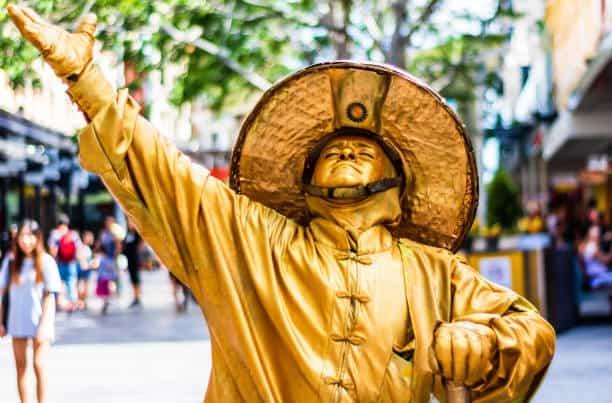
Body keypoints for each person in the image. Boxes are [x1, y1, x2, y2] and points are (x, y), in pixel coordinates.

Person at [8, 7, 556, 402]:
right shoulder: (250, 239)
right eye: (331, 149)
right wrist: (86, 79)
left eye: (365, 149)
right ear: (307, 178)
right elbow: (163, 170)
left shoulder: (434, 273)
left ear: (396, 185)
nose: (345, 149)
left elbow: (531, 329)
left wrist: (483, 340)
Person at [0, 219, 61, 403]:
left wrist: (44, 325)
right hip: (17, 320)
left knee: (39, 365)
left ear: (37, 238)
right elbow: (3, 294)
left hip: (40, 321)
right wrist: (1, 322)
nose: (26, 240)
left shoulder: (46, 261)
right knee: (20, 367)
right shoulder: (11, 263)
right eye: (22, 236)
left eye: (30, 236)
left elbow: (50, 296)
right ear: (16, 238)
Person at [47, 213, 81, 311]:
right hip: (71, 263)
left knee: (58, 283)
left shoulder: (54, 234)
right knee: (71, 283)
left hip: (59, 263)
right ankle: (72, 303)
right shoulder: (73, 234)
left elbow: (52, 250)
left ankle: (58, 303)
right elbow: (79, 248)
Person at [96, 216, 121, 315]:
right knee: (106, 280)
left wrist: (115, 258)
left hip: (109, 259)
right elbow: (98, 246)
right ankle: (107, 299)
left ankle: (108, 298)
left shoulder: (112, 234)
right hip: (107, 259)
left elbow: (118, 248)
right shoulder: (106, 234)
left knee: (108, 280)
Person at [580, 225, 612, 289]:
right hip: (597, 278)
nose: (600, 236)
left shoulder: (589, 245)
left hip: (599, 275)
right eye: (598, 234)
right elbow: (605, 260)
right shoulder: (592, 247)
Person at [123, 220, 143, 308]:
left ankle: (138, 297)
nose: (130, 225)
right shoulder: (127, 234)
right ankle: (135, 297)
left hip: (135, 259)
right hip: (129, 259)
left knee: (136, 278)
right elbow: (124, 245)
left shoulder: (137, 234)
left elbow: (141, 244)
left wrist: (138, 251)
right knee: (132, 279)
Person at [76, 230, 96, 309]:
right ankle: (80, 302)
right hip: (82, 269)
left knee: (85, 287)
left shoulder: (88, 248)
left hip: (87, 269)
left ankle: (83, 302)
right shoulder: (81, 246)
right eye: (88, 237)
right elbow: (79, 257)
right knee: (81, 286)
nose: (90, 239)